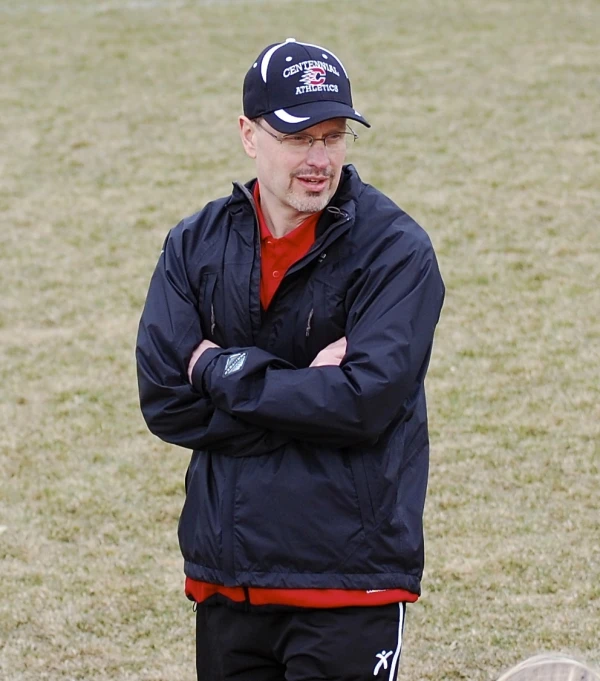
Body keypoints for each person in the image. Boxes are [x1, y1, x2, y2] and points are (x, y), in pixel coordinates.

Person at [136, 37, 445, 681]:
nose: (319, 158)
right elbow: (166, 399)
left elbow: (362, 405)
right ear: (249, 135)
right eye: (298, 137)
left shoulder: (397, 253)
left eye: (333, 137)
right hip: (227, 581)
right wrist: (305, 388)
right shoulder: (193, 245)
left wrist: (220, 370)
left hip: (347, 583)